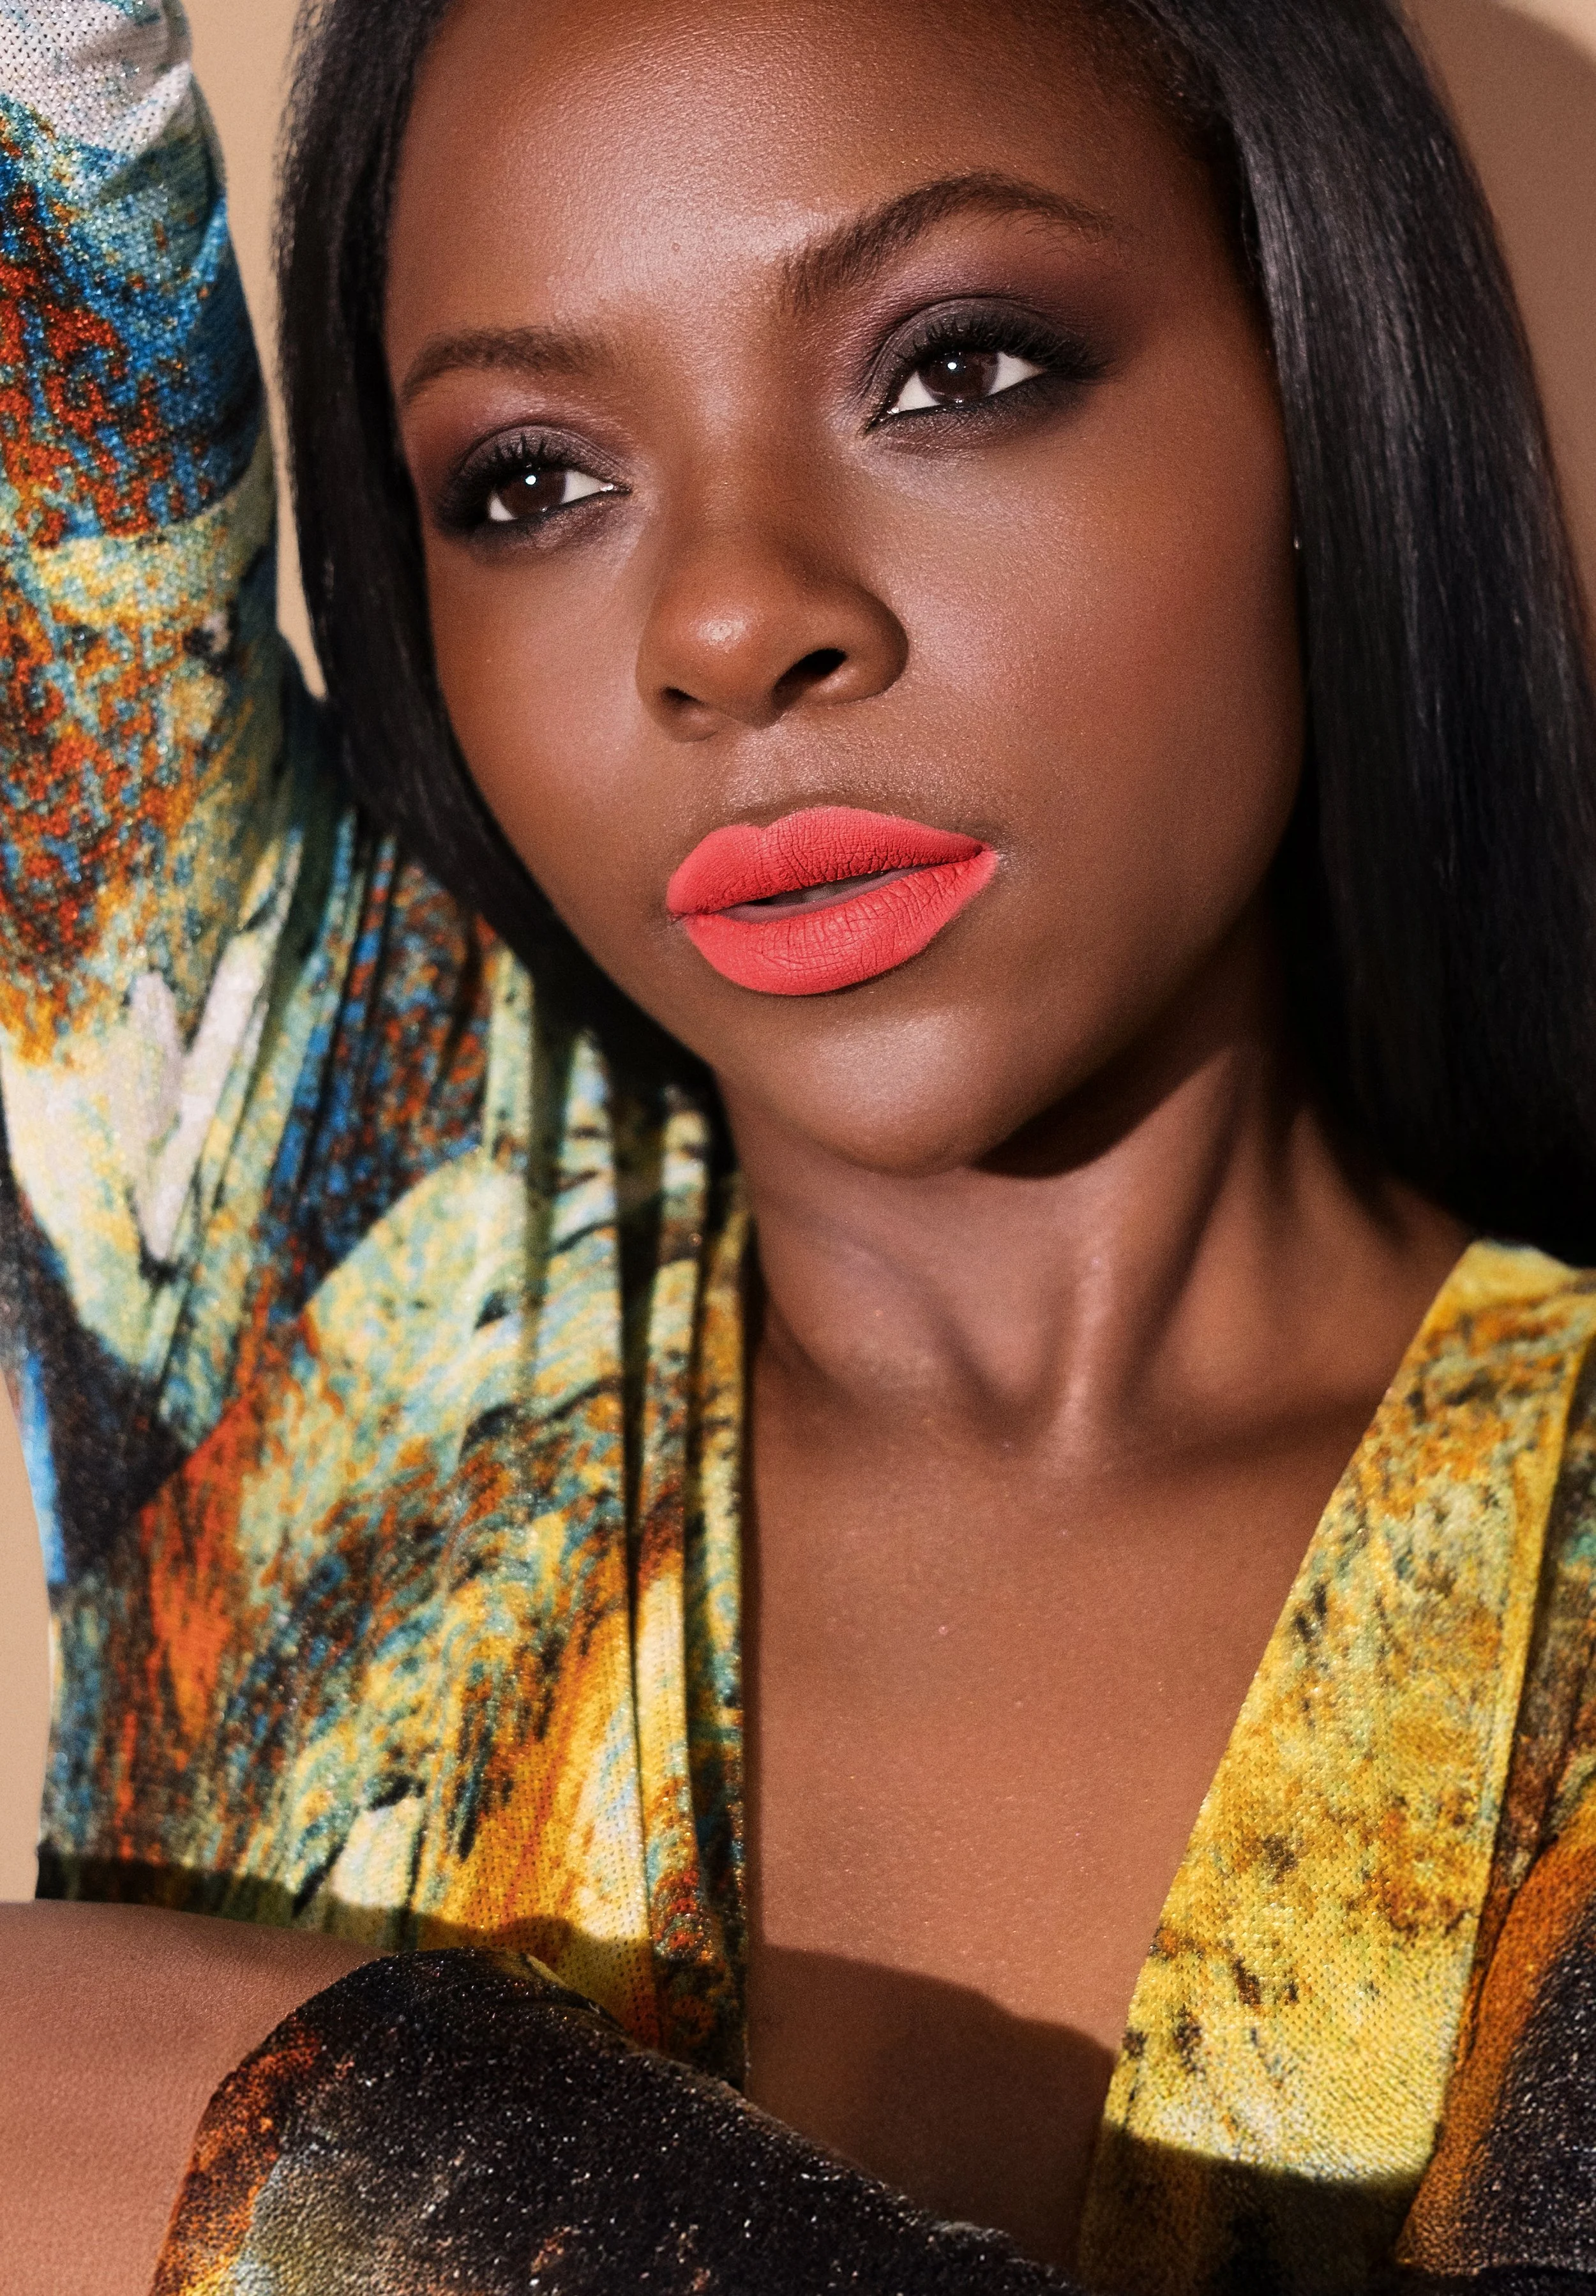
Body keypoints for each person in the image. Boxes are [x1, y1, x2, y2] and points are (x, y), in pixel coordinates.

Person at [1, 0, 1595, 2287]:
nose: (731, 621)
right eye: (529, 480)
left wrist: (292, 2130)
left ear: (1317, 370)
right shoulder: (318, 1246)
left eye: (955, 363)